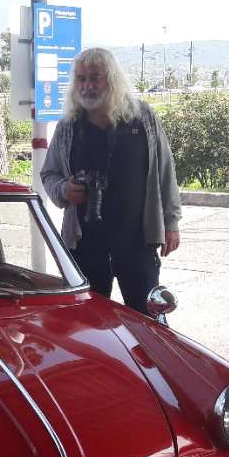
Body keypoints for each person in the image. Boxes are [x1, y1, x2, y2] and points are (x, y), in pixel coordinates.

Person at [41, 47, 182, 316]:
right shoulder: (69, 126)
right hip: (85, 245)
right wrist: (64, 190)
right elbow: (49, 174)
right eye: (81, 79)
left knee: (146, 319)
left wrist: (171, 223)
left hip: (137, 242)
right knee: (87, 322)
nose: (87, 86)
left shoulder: (142, 119)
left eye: (95, 77)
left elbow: (165, 171)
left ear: (113, 79)